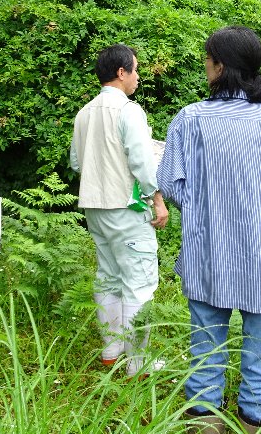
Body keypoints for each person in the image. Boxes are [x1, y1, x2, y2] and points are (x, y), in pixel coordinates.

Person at [157, 26, 261, 434]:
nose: (205, 65)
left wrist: (207, 208)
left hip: (207, 256)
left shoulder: (190, 119)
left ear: (221, 67)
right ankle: (257, 423)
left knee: (205, 344)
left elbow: (172, 183)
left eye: (208, 58)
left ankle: (205, 422)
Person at [70, 44, 169, 377]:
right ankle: (138, 365)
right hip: (126, 208)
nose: (138, 77)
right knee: (139, 282)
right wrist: (157, 198)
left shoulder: (84, 112)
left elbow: (75, 162)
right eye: (136, 70)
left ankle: (112, 351)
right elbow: (141, 161)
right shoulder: (129, 111)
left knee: (108, 278)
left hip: (94, 207)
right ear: (121, 72)